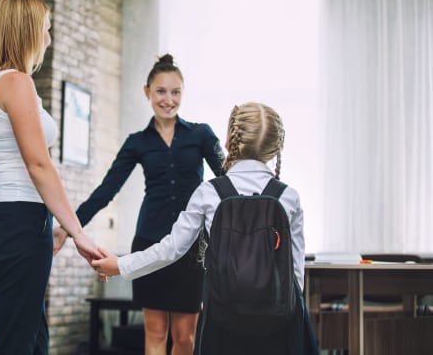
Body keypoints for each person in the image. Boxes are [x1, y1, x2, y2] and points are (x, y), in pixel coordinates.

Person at [92, 102, 317, 354]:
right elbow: (295, 274)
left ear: (230, 141)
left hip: (223, 319)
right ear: (277, 147)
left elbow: (171, 249)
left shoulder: (209, 192)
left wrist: (120, 265)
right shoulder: (289, 197)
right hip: (277, 321)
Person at [65, 54, 224, 354]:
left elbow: (228, 181)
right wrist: (69, 227)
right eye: (161, 91)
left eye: (175, 92)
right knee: (155, 332)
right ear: (147, 92)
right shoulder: (137, 142)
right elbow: (107, 190)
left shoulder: (202, 134)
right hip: (149, 242)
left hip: (192, 249)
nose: (168, 99)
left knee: (184, 337)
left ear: (182, 93)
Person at [0, 0, 103, 354]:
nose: (48, 38)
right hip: (21, 220)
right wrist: (78, 233)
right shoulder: (16, 82)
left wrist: (57, 226)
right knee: (19, 341)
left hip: (1, 219)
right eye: (46, 30)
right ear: (26, 32)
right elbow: (39, 165)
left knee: (32, 336)